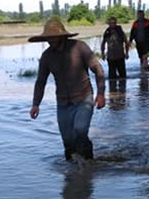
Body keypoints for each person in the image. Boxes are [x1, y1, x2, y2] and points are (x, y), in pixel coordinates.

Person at [29, 18, 106, 161]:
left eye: (53, 37)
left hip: (84, 98)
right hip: (63, 103)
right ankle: (71, 174)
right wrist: (35, 104)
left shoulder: (79, 47)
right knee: (68, 141)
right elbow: (40, 82)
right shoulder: (47, 57)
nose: (50, 40)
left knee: (80, 130)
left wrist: (101, 94)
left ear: (62, 36)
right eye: (48, 38)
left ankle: (89, 165)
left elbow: (98, 69)